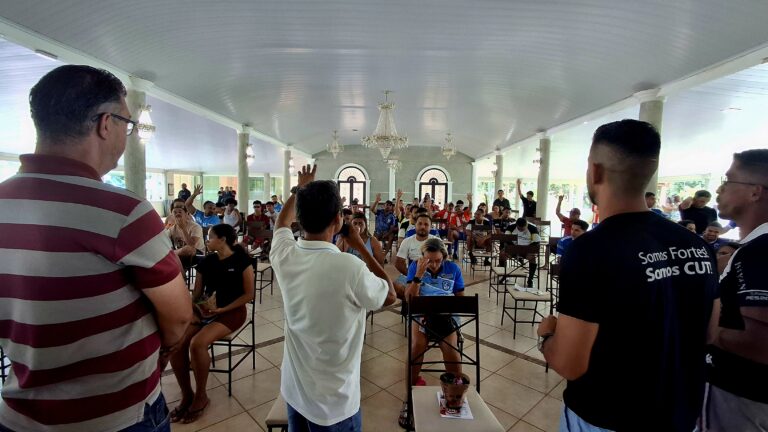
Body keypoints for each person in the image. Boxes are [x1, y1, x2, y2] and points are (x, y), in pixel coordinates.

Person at [0, 65, 192, 432]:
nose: (127, 136)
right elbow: (180, 316)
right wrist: (164, 350)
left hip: (19, 415)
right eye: (128, 124)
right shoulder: (123, 212)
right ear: (106, 123)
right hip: (114, 416)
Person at [537, 119, 718, 431]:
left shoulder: (590, 250)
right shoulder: (696, 246)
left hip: (607, 416)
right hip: (679, 415)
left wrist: (546, 337)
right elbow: (710, 333)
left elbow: (569, 363)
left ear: (595, 171)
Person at [270, 164, 396, 431]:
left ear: (300, 219)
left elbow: (281, 223)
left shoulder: (284, 254)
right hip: (334, 404)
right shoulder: (350, 268)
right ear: (339, 220)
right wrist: (360, 244)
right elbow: (390, 296)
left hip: (294, 390)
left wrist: (300, 188)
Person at [703, 149, 768, 431]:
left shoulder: (760, 250)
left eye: (728, 181)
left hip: (741, 396)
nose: (719, 190)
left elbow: (760, 342)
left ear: (755, 192)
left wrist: (700, 329)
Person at [169, 224, 254, 424]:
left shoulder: (241, 260)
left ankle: (201, 396)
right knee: (177, 344)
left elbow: (249, 294)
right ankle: (187, 394)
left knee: (197, 343)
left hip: (232, 312)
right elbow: (197, 294)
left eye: (210, 237)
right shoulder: (207, 262)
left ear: (222, 239)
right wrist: (195, 309)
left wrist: (224, 309)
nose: (207, 240)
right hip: (206, 311)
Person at [398, 238, 465, 429]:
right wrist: (419, 275)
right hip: (421, 315)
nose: (434, 265)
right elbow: (409, 298)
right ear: (423, 257)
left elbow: (460, 300)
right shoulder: (415, 266)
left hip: (445, 316)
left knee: (451, 350)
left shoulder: (453, 269)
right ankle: (409, 397)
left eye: (438, 261)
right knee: (417, 347)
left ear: (444, 257)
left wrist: (449, 311)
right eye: (429, 261)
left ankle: (454, 395)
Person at [395, 214, 439, 299]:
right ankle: (409, 303)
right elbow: (398, 263)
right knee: (394, 287)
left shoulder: (437, 241)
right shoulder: (407, 241)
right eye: (420, 224)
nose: (422, 227)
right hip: (412, 273)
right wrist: (412, 276)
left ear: (431, 227)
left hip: (431, 276)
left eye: (426, 224)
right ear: (415, 225)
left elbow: (443, 262)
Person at [166, 199, 205, 264]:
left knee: (188, 249)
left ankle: (172, 256)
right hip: (179, 254)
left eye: (180, 211)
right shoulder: (171, 229)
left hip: (197, 254)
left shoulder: (195, 227)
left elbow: (191, 245)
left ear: (186, 213)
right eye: (175, 212)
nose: (177, 214)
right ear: (172, 215)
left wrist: (183, 228)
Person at [506, 218, 541, 287]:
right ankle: (504, 276)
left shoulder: (533, 228)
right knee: (502, 254)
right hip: (514, 248)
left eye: (523, 229)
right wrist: (516, 249)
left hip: (527, 249)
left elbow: (536, 242)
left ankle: (530, 279)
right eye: (519, 229)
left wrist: (525, 249)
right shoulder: (511, 226)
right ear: (516, 225)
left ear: (526, 225)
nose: (521, 230)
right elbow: (507, 239)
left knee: (533, 258)